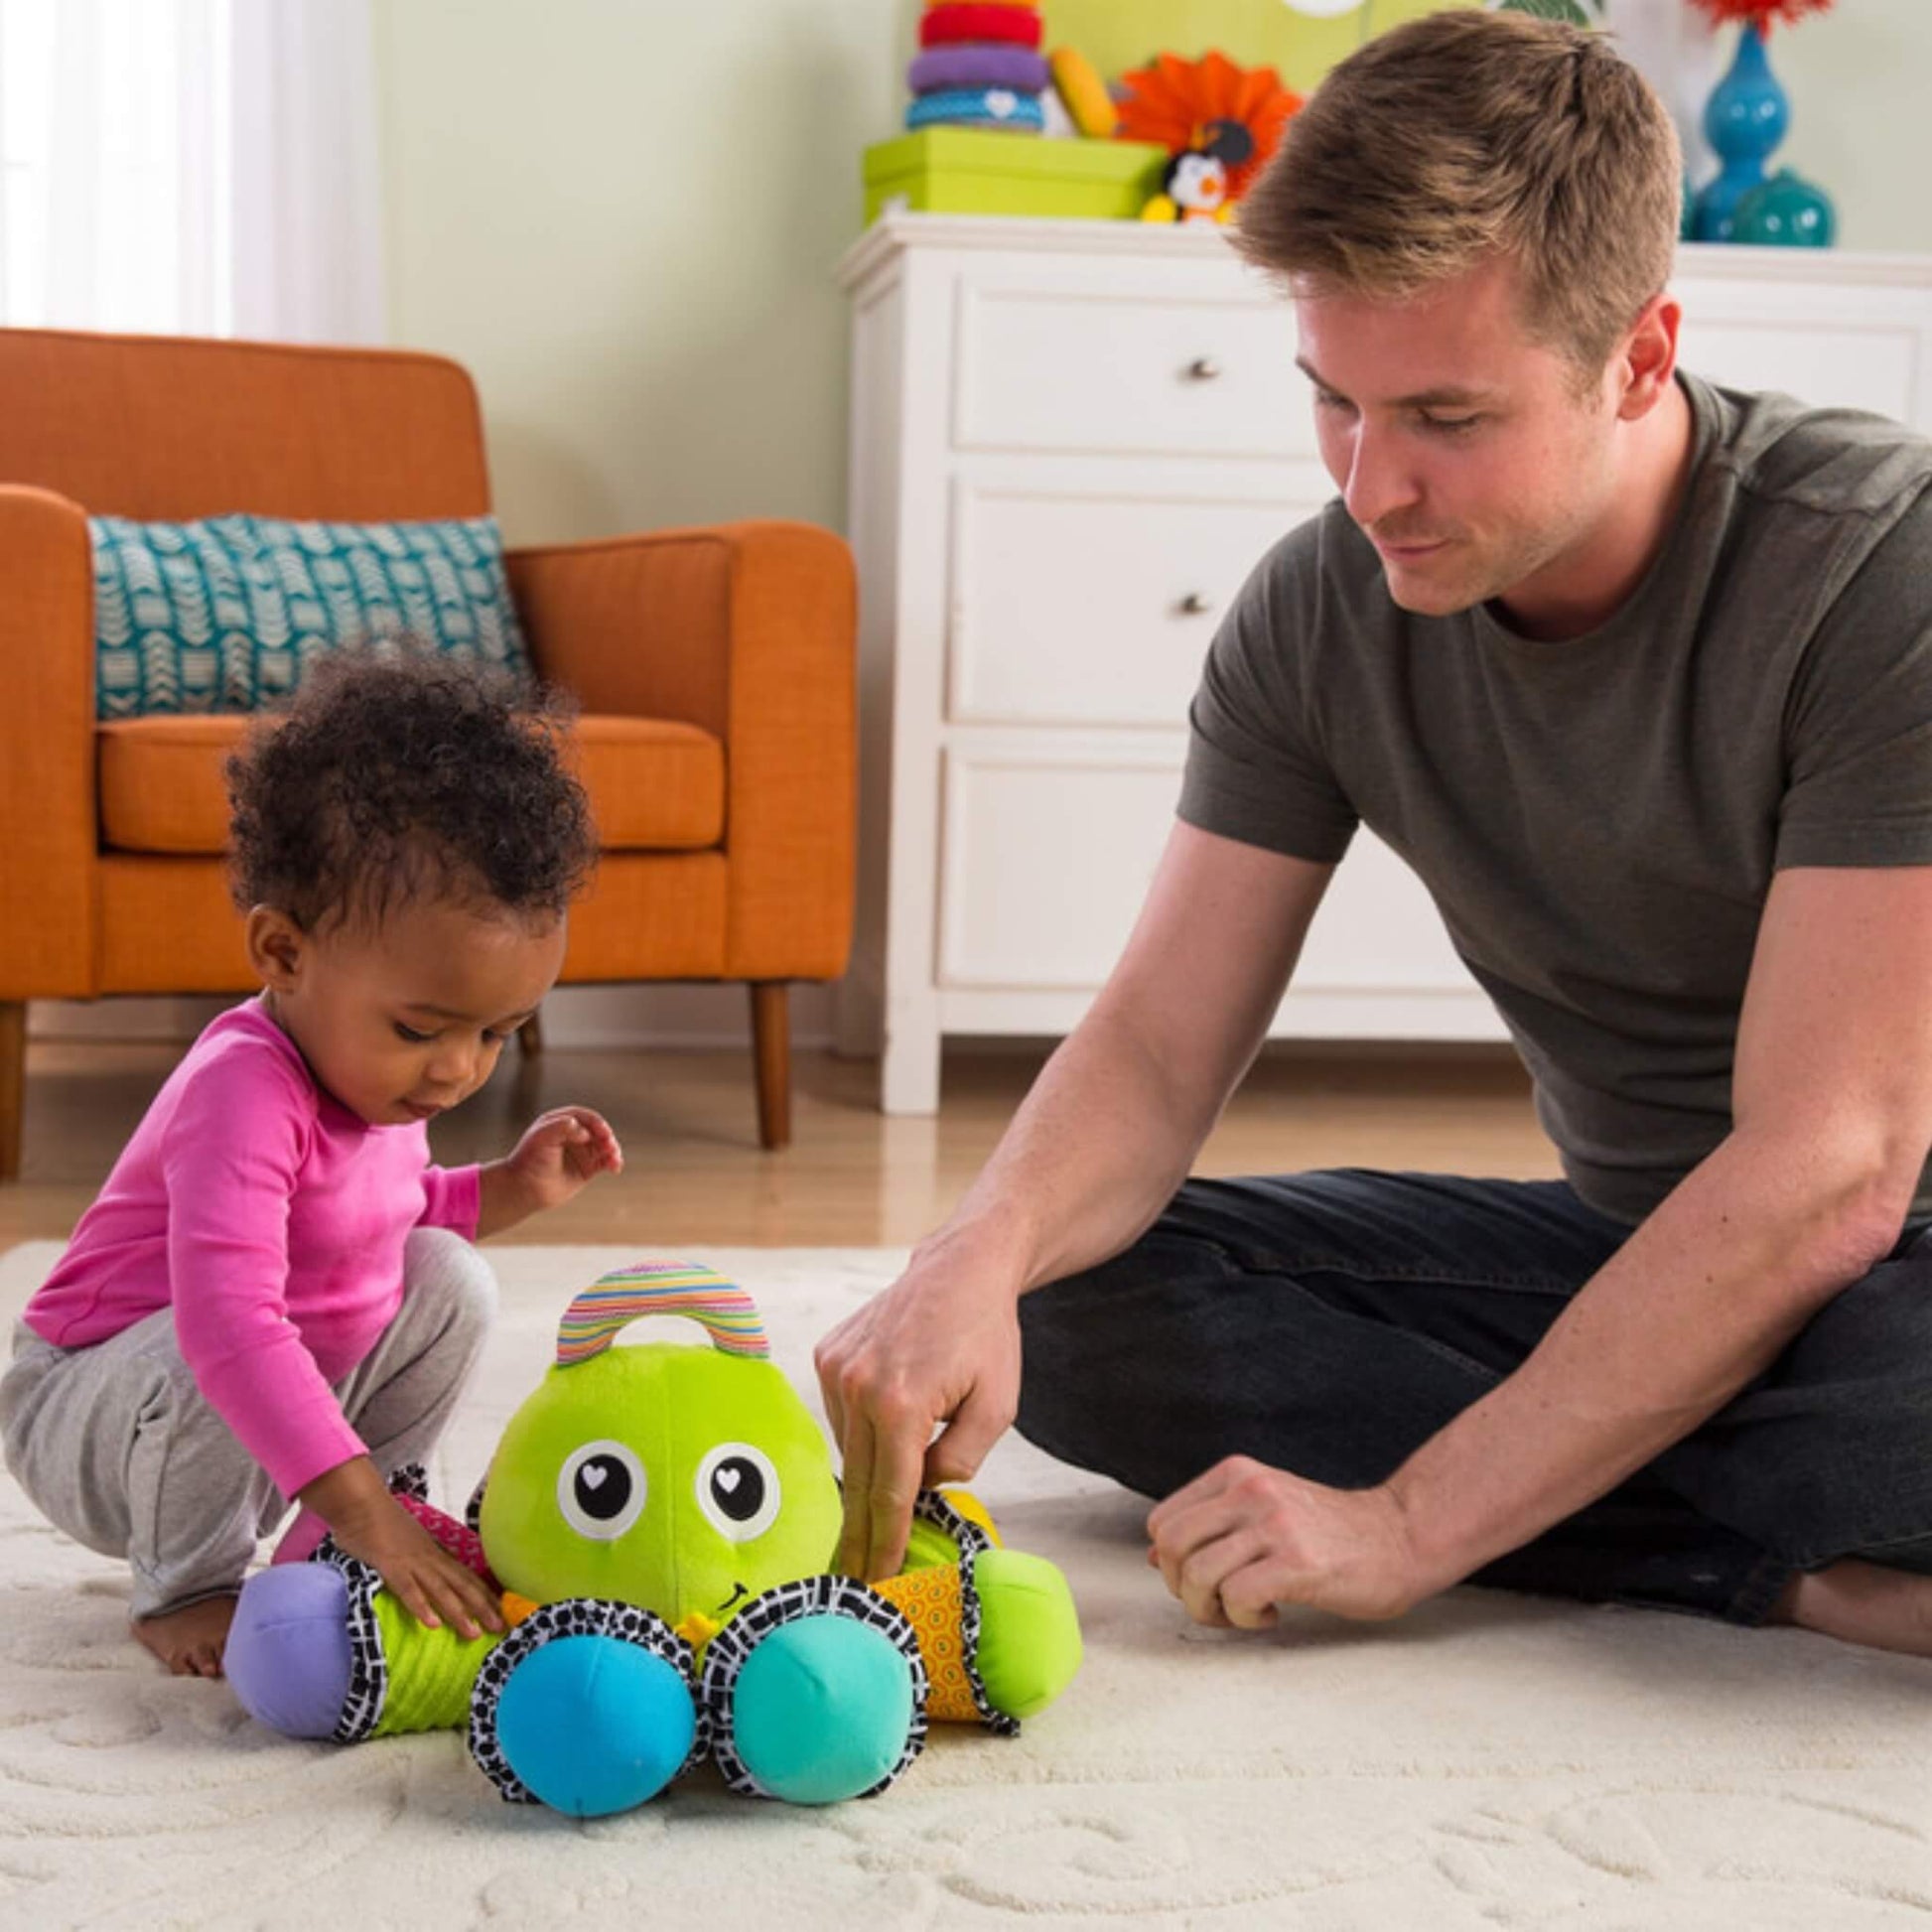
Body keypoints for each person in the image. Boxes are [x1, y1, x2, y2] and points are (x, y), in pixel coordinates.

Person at [816, 10, 1932, 1658]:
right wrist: (973, 1250)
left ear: (1636, 354)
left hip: (1894, 1266)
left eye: (1446, 418)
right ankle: (1771, 1565)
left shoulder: (1874, 572)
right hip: (1639, 1251)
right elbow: (1149, 1045)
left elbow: (1827, 1176)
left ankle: (1619, 1490)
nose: (1369, 484)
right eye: (1332, 399)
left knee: (1889, 1408)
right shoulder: (1317, 612)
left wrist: (1411, 1519)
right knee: (1072, 1295)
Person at [0, 654, 622, 1678]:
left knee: (449, 1276)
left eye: (499, 1032)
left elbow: (387, 1213)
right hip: (92, 1416)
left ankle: (336, 1537)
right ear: (283, 953)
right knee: (223, 1334)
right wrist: (365, 1507)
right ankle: (188, 1584)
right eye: (424, 1027)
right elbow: (229, 1324)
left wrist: (510, 1185)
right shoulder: (242, 1089)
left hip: (240, 1419)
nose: (460, 1068)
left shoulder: (374, 1075)